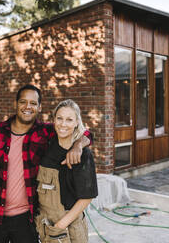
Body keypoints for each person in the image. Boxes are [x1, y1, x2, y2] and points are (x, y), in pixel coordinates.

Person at [0, 84, 92, 243]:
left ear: (39, 107)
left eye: (33, 103)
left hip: (27, 219)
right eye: (23, 102)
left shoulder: (45, 132)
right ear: (15, 104)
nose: (27, 107)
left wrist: (78, 145)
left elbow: (84, 132)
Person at [35, 99, 98, 243]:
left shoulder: (83, 155)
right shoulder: (47, 144)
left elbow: (87, 197)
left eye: (69, 120)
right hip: (44, 223)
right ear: (54, 120)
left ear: (77, 122)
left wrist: (59, 226)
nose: (63, 124)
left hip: (69, 228)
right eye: (60, 118)